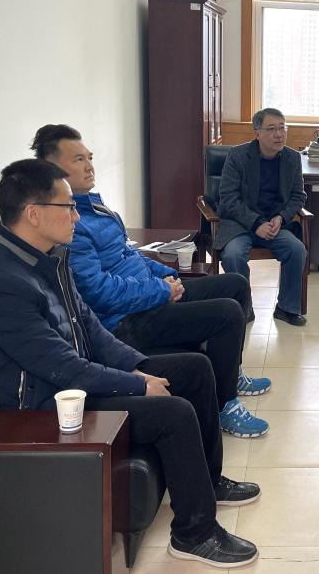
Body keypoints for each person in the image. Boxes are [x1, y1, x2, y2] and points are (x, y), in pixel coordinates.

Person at [0, 159, 261, 568]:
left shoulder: (47, 257)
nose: (77, 216)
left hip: (69, 386)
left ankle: (209, 480)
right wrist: (137, 385)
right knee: (173, 412)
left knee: (195, 369)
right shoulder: (0, 284)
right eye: (68, 207)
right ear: (33, 213)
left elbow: (91, 329)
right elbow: (61, 366)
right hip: (40, 408)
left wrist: (136, 366)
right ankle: (194, 534)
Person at [31, 124, 270, 438]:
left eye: (90, 157)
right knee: (227, 313)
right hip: (125, 320)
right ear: (53, 171)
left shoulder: (96, 208)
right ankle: (225, 404)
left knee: (235, 283)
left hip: (148, 295)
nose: (89, 166)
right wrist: (160, 291)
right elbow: (98, 293)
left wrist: (165, 276)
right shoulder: (68, 225)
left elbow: (129, 255)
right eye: (78, 160)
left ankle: (231, 374)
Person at [216, 107, 308, 326]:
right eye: (271, 129)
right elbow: (228, 198)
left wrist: (281, 217)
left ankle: (287, 308)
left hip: (274, 225)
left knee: (296, 250)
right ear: (257, 133)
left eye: (282, 128)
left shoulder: (292, 158)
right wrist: (256, 223)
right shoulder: (238, 156)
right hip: (240, 224)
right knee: (233, 255)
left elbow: (298, 196)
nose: (279, 134)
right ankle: (243, 307)